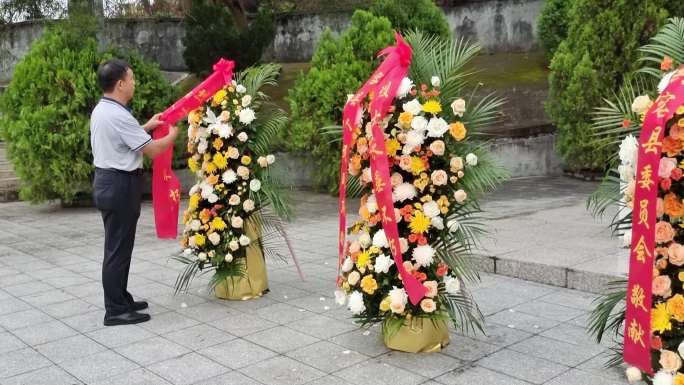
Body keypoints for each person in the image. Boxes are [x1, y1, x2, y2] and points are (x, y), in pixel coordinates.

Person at [90, 58, 178, 326]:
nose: (134, 83)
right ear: (120, 84)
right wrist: (172, 135)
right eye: (131, 79)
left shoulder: (104, 109)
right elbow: (151, 150)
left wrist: (148, 126)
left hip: (109, 182)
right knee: (117, 249)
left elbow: (126, 137)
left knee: (119, 246)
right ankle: (115, 310)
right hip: (118, 185)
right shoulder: (118, 114)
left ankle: (121, 298)